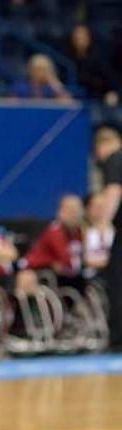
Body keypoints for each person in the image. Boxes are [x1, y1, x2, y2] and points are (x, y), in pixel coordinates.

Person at [25, 194, 86, 292]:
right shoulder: (55, 231)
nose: (76, 214)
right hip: (42, 271)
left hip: (65, 272)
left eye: (78, 210)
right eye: (71, 211)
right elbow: (65, 259)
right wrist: (84, 263)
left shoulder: (78, 232)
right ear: (61, 212)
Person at [96, 126, 122, 351]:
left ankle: (118, 338)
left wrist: (103, 222)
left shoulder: (115, 159)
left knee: (117, 282)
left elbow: (114, 191)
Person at [84, 190, 114, 278]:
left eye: (104, 206)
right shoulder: (82, 230)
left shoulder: (115, 231)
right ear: (88, 209)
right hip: (91, 277)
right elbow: (81, 259)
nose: (101, 210)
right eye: (97, 206)